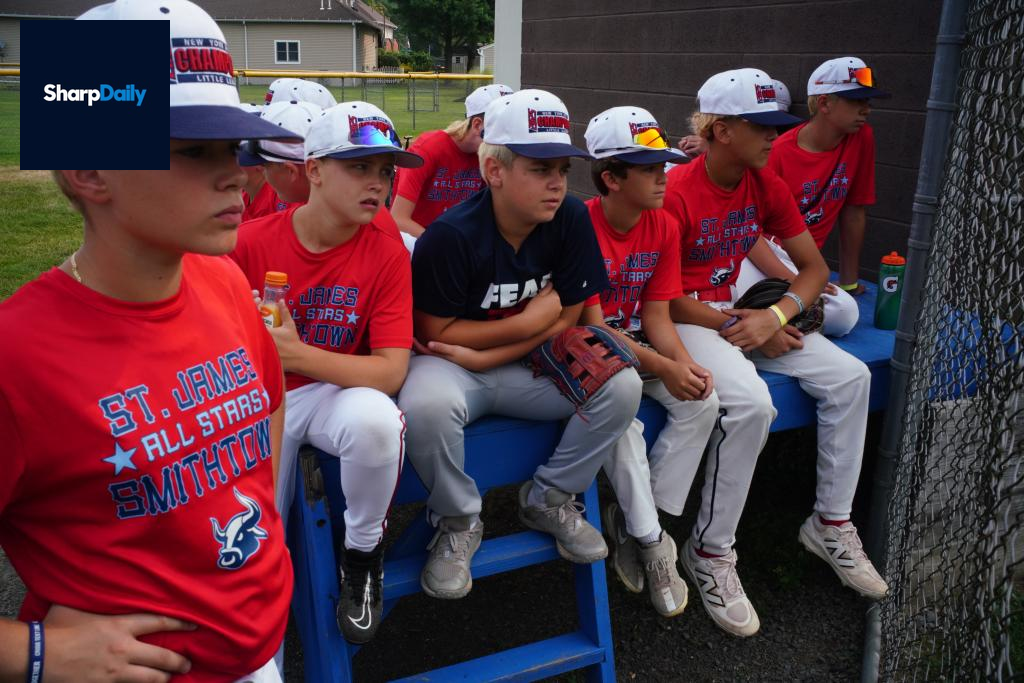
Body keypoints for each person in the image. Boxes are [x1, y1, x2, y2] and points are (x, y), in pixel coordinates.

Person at [0, 0, 300, 680]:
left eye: (234, 147)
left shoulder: (223, 280)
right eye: (195, 150)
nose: (239, 174)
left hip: (256, 654)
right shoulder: (17, 356)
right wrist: (39, 655)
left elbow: (269, 399)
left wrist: (261, 523)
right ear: (89, 170)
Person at [662, 68, 888, 637]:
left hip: (738, 310)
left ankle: (830, 523)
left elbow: (812, 269)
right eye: (761, 125)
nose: (774, 135)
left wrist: (776, 316)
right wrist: (746, 324)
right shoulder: (677, 190)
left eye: (777, 124)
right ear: (719, 130)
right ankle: (710, 551)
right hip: (687, 316)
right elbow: (659, 297)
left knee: (852, 377)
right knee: (752, 405)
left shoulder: (763, 182)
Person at [398, 89, 642, 601]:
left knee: (622, 385)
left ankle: (548, 497)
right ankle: (458, 520)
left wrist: (494, 351)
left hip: (525, 360)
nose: (557, 182)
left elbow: (569, 316)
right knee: (425, 405)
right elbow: (436, 332)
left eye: (562, 169)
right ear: (495, 170)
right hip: (455, 367)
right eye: (540, 169)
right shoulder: (451, 234)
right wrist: (527, 323)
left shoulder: (570, 217)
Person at [230, 101, 422, 644]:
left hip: (329, 389)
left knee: (377, 420)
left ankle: (362, 555)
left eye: (385, 170)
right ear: (313, 170)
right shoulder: (249, 241)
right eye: (359, 167)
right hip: (253, 397)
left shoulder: (387, 252)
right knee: (252, 541)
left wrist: (294, 355)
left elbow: (391, 371)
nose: (377, 183)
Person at [580, 106, 720, 617]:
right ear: (611, 178)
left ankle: (635, 519)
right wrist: (663, 367)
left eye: (663, 166)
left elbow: (657, 314)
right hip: (592, 356)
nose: (663, 177)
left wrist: (682, 364)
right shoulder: (580, 225)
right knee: (624, 420)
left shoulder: (662, 223)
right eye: (649, 169)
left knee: (704, 400)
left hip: (639, 345)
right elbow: (593, 325)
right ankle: (653, 542)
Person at [744, 57, 890, 337]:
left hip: (804, 259)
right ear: (824, 104)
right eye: (856, 101)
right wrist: (793, 281)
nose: (866, 109)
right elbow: (749, 234)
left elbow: (854, 210)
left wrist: (848, 282)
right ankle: (762, 319)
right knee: (831, 310)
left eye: (868, 100)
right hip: (762, 252)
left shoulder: (861, 137)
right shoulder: (777, 152)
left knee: (844, 314)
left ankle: (770, 316)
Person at [391, 83, 513, 247]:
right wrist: (449, 247)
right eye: (502, 128)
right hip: (417, 241)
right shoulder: (429, 148)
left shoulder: (490, 159)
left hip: (457, 240)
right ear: (477, 125)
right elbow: (398, 219)